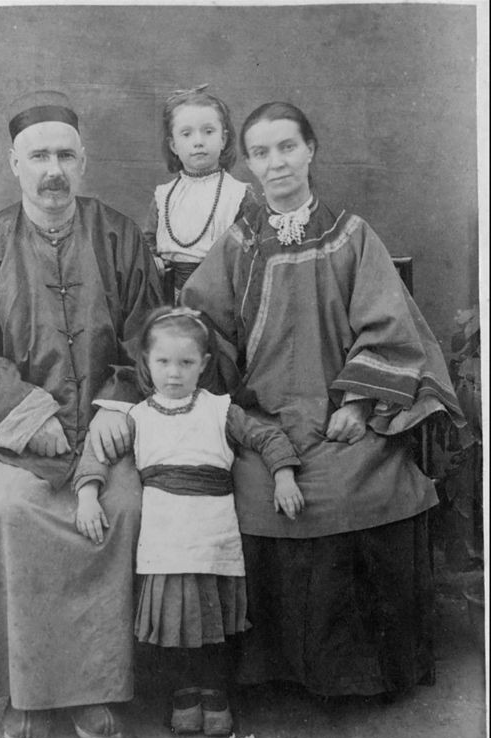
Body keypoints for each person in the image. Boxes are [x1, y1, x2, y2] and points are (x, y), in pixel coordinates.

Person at [181, 102, 466, 701]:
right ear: (248, 163)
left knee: (364, 485)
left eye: (288, 147)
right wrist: (223, 403)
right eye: (261, 152)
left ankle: (360, 675)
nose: (276, 162)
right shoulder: (239, 244)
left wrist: (359, 405)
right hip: (262, 422)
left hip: (342, 418)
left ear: (310, 150)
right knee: (251, 490)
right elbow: (201, 329)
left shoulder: (352, 236)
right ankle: (270, 671)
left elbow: (390, 329)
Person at [0, 90, 162, 738]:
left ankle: (94, 689)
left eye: (65, 155)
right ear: (14, 164)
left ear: (83, 162)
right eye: (39, 157)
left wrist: (117, 403)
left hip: (104, 436)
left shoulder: (117, 237)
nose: (53, 170)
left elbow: (152, 332)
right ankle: (25, 693)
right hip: (15, 442)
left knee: (125, 505)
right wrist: (26, 413)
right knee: (7, 510)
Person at [73, 306, 303, 735]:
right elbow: (97, 452)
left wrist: (284, 476)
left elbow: (266, 435)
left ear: (204, 365)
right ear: (146, 363)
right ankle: (183, 695)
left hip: (212, 536)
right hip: (165, 543)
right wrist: (88, 496)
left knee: (213, 624)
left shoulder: (220, 410)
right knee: (174, 625)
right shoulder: (137, 416)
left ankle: (215, 696)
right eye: (163, 362)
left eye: (185, 363)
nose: (174, 373)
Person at [143, 85, 256, 302]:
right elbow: (148, 243)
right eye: (186, 134)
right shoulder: (164, 197)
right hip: (168, 296)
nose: (198, 141)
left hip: (220, 297)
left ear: (223, 139)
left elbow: (250, 254)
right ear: (173, 145)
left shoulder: (238, 195)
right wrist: (153, 260)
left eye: (208, 131)